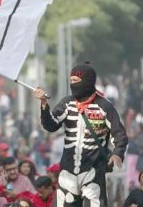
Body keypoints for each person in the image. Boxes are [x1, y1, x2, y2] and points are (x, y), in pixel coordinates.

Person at [33, 62, 129, 206]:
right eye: (71, 81)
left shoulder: (104, 106)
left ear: (88, 81)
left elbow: (119, 134)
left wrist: (117, 153)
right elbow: (51, 125)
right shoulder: (66, 103)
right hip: (67, 171)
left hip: (93, 170)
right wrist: (44, 103)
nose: (73, 84)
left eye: (76, 81)